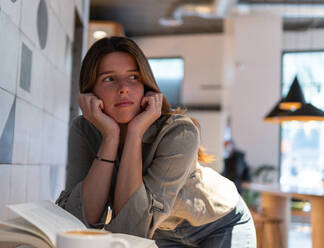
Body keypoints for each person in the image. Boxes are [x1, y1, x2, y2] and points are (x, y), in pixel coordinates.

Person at [56, 36, 256, 247]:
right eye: (109, 79)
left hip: (220, 224)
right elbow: (75, 222)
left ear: (145, 85)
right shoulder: (84, 130)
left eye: (133, 77)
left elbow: (131, 228)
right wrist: (110, 137)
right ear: (90, 92)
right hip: (160, 231)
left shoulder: (179, 132)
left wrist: (134, 133)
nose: (124, 88)